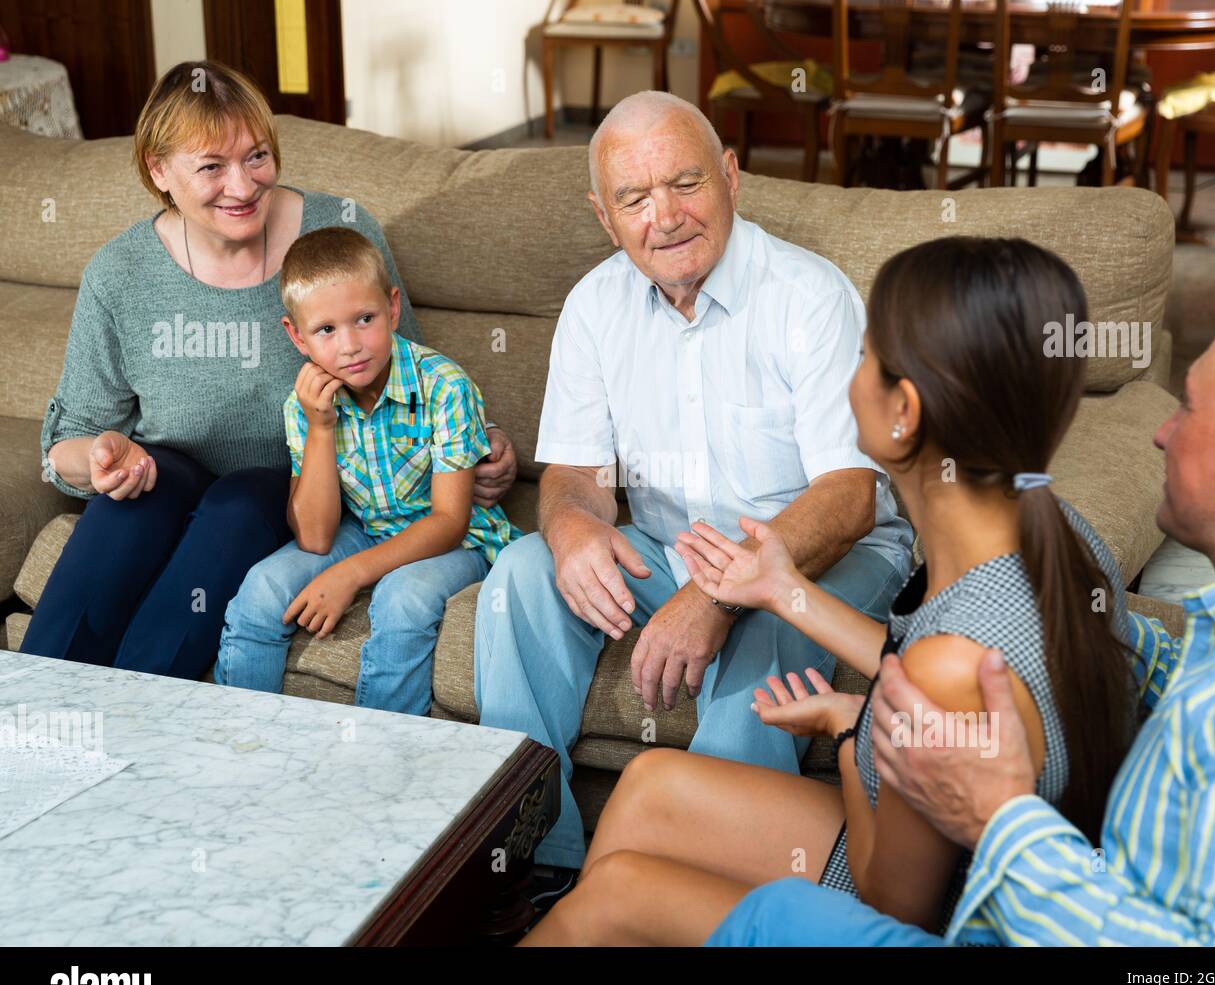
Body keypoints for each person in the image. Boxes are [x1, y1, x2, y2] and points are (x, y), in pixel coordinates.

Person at [521, 235, 1143, 946]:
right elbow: (933, 656)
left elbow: (891, 907)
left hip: (944, 916)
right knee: (648, 786)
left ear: (903, 410)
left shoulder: (950, 669)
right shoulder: (1053, 526)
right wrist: (786, 592)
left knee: (612, 898)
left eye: (866, 357)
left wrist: (850, 736)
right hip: (945, 859)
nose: (847, 375)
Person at [711, 294, 1215, 947]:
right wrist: (787, 593)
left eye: (1188, 406)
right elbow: (1102, 658)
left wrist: (1000, 818)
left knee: (769, 914)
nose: (1163, 430)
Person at [474, 91, 915, 888]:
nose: (665, 216)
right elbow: (576, 474)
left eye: (685, 183)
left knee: (763, 636)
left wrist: (716, 598)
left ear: (731, 178)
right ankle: (535, 864)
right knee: (520, 580)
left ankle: (690, 884)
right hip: (675, 547)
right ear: (605, 218)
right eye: (634, 199)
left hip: (820, 552)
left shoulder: (808, 297)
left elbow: (849, 497)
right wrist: (571, 531)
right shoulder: (593, 306)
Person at [23, 61, 517, 679]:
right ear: (158, 170)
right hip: (166, 476)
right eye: (211, 167)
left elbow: (405, 367)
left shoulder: (339, 231)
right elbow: (62, 446)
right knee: (134, 503)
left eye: (256, 157)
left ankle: (140, 721)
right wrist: (100, 458)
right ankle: (29, 722)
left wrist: (482, 444)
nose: (242, 185)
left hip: (285, 487)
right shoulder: (118, 273)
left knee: (236, 504)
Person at [214, 228, 517, 714]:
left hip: (457, 541)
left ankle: (380, 762)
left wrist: (351, 575)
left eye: (365, 319)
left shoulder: (444, 387)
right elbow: (314, 537)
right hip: (365, 529)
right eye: (326, 330)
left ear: (393, 309)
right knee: (260, 591)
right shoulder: (304, 406)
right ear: (296, 336)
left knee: (402, 600)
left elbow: (450, 521)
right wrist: (319, 427)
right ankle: (246, 742)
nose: (351, 345)